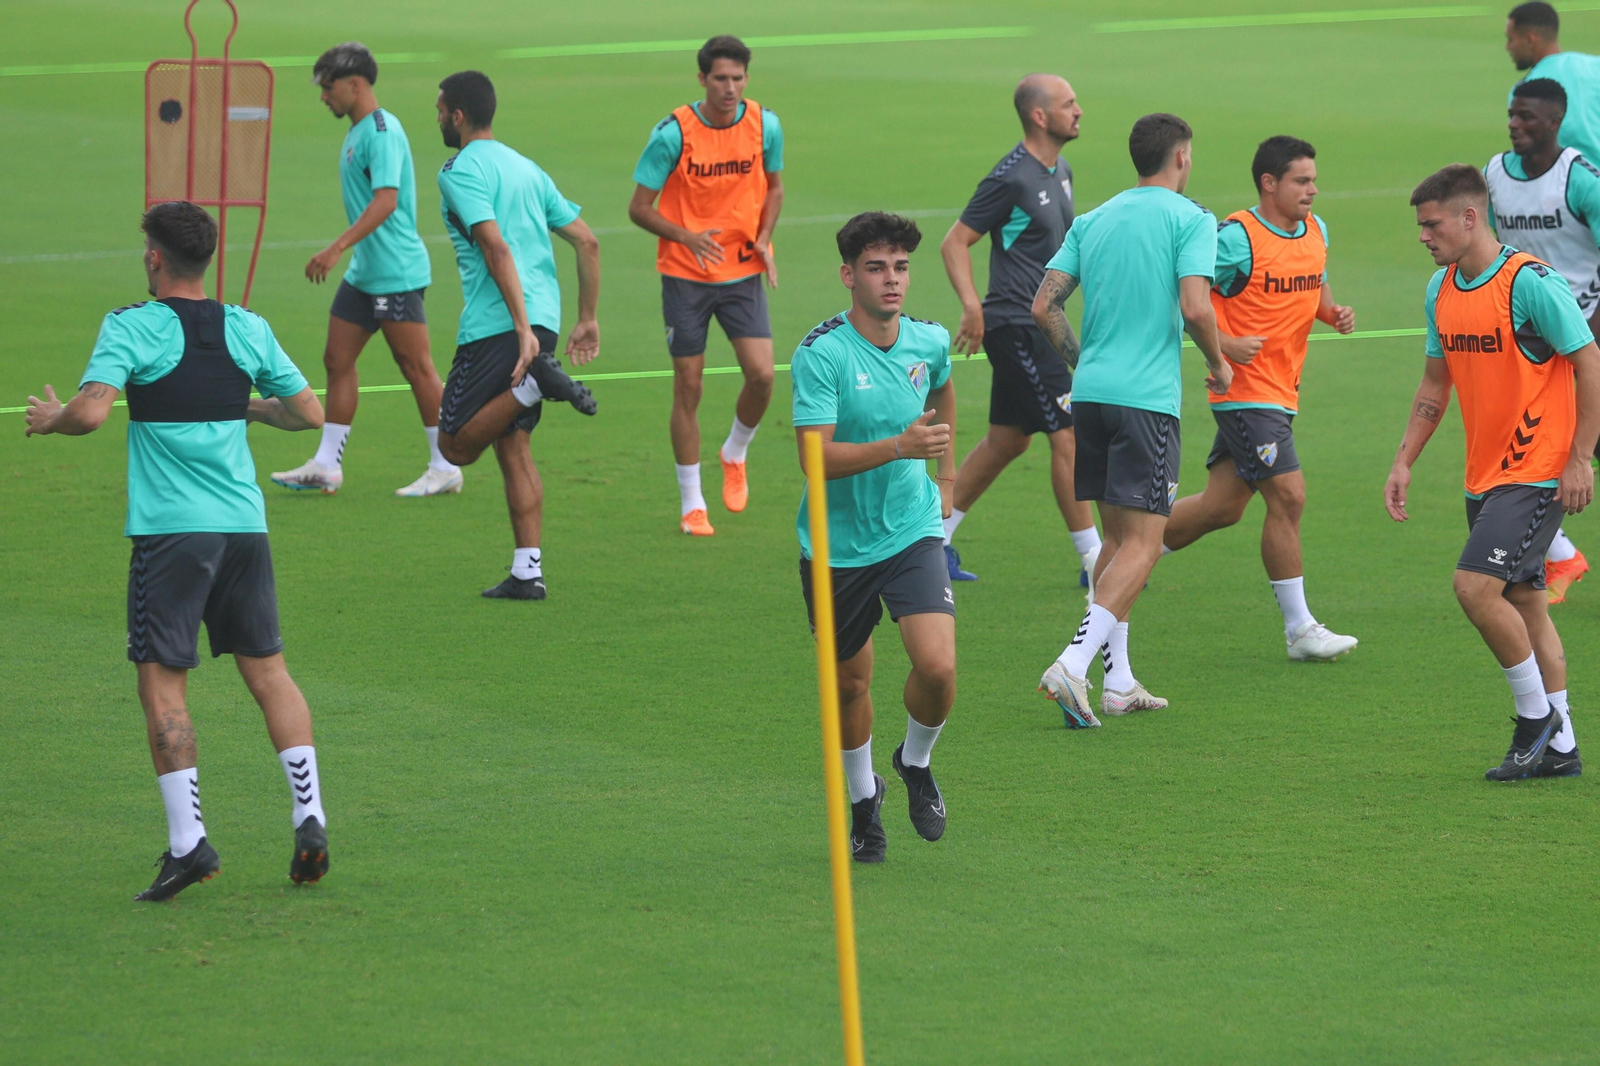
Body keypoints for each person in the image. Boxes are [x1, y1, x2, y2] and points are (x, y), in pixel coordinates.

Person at [23, 202, 332, 899]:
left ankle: (189, 843)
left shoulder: (131, 324)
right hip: (244, 529)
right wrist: (245, 406)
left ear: (155, 258)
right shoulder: (247, 326)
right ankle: (309, 817)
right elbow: (308, 413)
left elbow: (94, 411)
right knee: (270, 674)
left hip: (172, 534)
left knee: (163, 683)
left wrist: (51, 420)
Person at [1385, 163, 1600, 780]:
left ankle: (1537, 720)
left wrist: (1579, 458)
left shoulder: (1530, 283)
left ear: (1469, 217)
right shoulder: (1442, 290)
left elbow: (1589, 364)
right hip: (1484, 475)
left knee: (1474, 588)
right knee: (1526, 605)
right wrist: (1404, 459)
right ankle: (1563, 752)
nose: (1423, 236)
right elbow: (1435, 383)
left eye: (1432, 225)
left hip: (1536, 471)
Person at [1033, 113, 1231, 727]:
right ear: (1182, 157)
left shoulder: (1092, 220)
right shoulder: (1192, 219)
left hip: (1090, 397)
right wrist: (1220, 365)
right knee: (1145, 546)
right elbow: (1197, 308)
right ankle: (1073, 665)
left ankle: (1118, 681)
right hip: (1147, 402)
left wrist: (1084, 362)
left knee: (1115, 542)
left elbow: (1044, 305)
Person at [792, 213, 957, 863]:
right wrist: (901, 446)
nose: (892, 281)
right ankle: (864, 800)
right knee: (851, 686)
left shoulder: (929, 342)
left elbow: (943, 391)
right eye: (876, 268)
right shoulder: (822, 353)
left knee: (938, 667)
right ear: (847, 276)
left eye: (901, 268)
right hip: (835, 547)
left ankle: (915, 762)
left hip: (910, 529)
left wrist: (942, 473)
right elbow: (815, 459)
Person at [1161, 136, 1360, 660]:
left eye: (1314, 180)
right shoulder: (1236, 240)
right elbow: (1185, 302)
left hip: (1282, 391)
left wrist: (1331, 313)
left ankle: (1123, 558)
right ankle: (1300, 631)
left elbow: (1312, 280)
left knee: (1221, 508)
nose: (1313, 190)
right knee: (1289, 496)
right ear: (1269, 184)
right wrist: (1223, 346)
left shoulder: (1316, 230)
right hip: (1243, 392)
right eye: (1301, 180)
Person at [430, 71, 601, 600]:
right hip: (543, 322)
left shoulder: (459, 172)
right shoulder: (526, 168)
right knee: (514, 444)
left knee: (455, 445)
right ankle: (528, 571)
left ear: (457, 115)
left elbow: (496, 249)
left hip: (500, 324)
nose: (436, 117)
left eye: (439, 109)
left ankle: (532, 385)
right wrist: (586, 318)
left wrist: (522, 334)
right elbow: (588, 242)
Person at [271, 42, 461, 498]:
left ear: (355, 85)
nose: (323, 96)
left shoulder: (381, 131)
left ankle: (445, 465)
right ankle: (326, 465)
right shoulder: (358, 131)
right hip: (366, 273)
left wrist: (336, 248)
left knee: (416, 367)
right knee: (337, 360)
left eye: (329, 87)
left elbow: (386, 200)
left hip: (394, 271)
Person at [938, 73, 1102, 588]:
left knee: (1007, 441)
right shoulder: (1011, 177)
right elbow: (954, 242)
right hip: (1015, 323)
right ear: (1039, 115)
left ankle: (933, 542)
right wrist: (972, 307)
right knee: (1067, 432)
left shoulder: (1061, 169)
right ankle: (1094, 559)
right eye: (1069, 104)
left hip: (1042, 321)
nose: (1079, 111)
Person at [628, 35, 784, 536]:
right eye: (721, 79)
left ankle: (735, 451)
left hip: (741, 271)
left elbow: (775, 186)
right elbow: (638, 208)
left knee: (762, 375)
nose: (731, 88)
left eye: (738, 78)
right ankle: (692, 501)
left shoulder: (765, 124)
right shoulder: (673, 134)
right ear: (702, 80)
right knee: (689, 385)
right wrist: (687, 238)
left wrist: (764, 237)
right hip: (685, 275)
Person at [1486, 77, 1600, 601]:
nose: (1515, 123)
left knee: (1582, 453)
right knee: (1519, 455)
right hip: (1525, 349)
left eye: (1527, 116)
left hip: (1583, 338)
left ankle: (1558, 558)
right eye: (1512, 114)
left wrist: (1588, 337)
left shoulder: (1579, 181)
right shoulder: (1494, 174)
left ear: (1555, 122)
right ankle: (1558, 557)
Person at [1506, 2, 1600, 164]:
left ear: (1530, 39)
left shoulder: (1524, 93)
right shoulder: (1595, 66)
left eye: (1511, 40)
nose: (1508, 47)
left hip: (1566, 184)